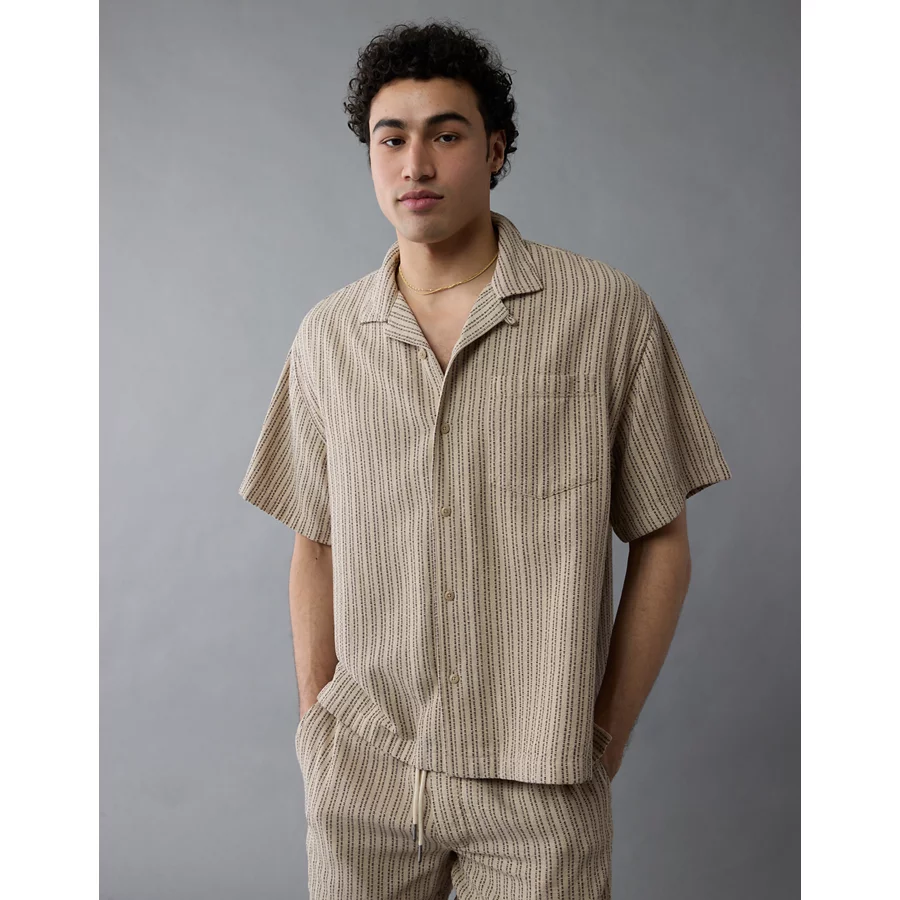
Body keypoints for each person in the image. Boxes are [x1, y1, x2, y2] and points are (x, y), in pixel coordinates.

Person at [238, 19, 731, 900]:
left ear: (495, 150)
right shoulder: (328, 338)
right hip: (367, 775)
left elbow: (663, 540)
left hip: (540, 783)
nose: (415, 164)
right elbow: (316, 541)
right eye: (391, 139)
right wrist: (316, 722)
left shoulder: (603, 312)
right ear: (370, 157)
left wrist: (603, 738)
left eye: (446, 135)